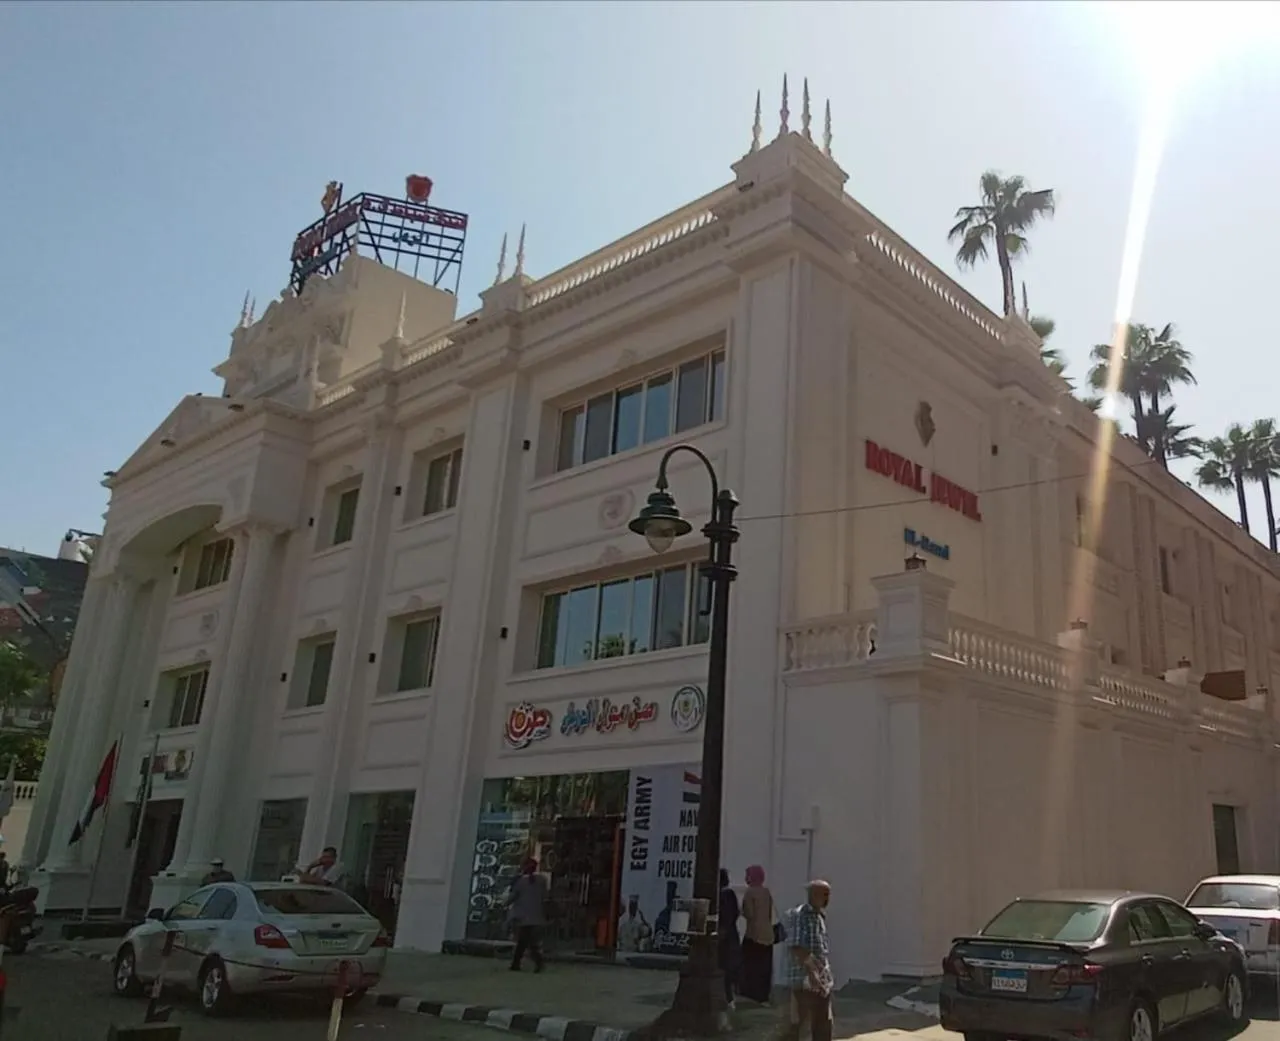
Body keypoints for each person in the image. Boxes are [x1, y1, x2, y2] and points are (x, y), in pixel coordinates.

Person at [781, 880, 834, 1041]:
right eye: (823, 894)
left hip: (821, 979)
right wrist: (812, 973)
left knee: (824, 1023)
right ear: (813, 895)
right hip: (804, 978)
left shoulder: (819, 916)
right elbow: (797, 946)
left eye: (828, 895)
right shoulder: (800, 915)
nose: (826, 899)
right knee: (802, 1025)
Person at [739, 864, 776, 1003]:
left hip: (753, 935)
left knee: (751, 966)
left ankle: (750, 993)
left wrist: (741, 911)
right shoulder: (766, 892)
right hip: (768, 934)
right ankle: (763, 995)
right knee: (764, 968)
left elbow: (750, 914)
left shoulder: (750, 892)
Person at [506, 857, 548, 972]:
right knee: (526, 941)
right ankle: (517, 963)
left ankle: (535, 962)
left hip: (522, 915)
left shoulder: (520, 881)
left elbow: (513, 896)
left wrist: (505, 904)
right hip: (536, 915)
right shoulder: (542, 880)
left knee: (525, 941)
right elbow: (545, 896)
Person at [718, 868, 742, 1009]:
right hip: (732, 935)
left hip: (724, 938)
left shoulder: (722, 896)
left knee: (723, 968)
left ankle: (728, 999)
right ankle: (730, 998)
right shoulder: (731, 894)